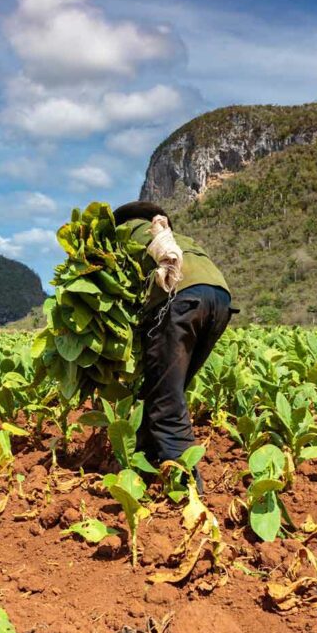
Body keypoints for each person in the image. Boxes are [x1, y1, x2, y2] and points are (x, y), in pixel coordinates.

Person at [113, 201, 235, 491]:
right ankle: (146, 456)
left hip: (180, 299)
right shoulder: (178, 237)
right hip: (219, 299)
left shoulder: (126, 233)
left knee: (165, 396)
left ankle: (184, 483)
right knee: (167, 387)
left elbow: (116, 294)